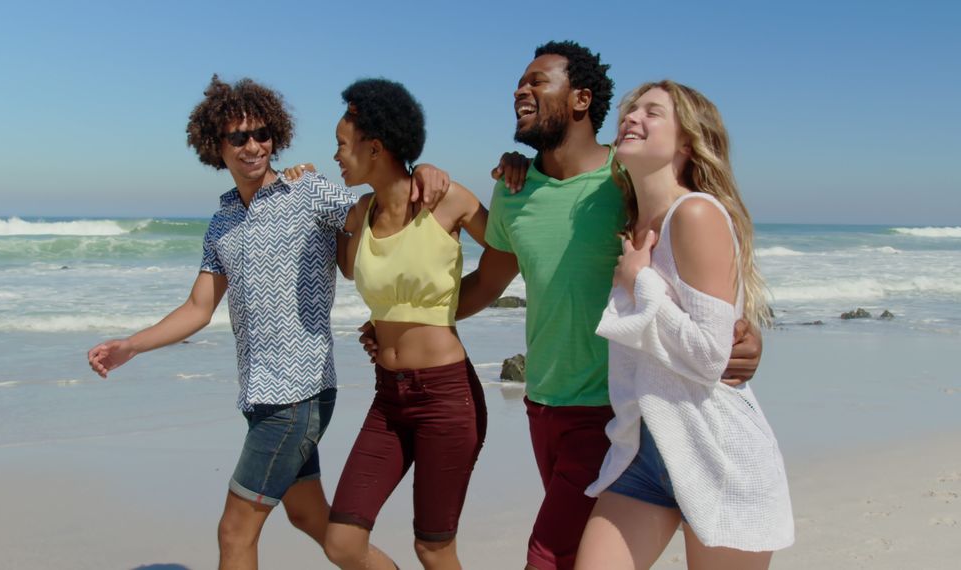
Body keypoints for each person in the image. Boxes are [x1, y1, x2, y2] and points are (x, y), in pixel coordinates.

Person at [86, 75, 448, 570]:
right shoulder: (223, 222)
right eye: (239, 137)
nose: (253, 147)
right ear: (217, 146)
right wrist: (132, 345)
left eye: (262, 135)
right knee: (309, 516)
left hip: (298, 394)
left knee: (235, 530)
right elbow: (198, 307)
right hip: (259, 394)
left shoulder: (309, 191)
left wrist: (422, 169)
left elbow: (383, 204)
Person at [448, 41, 764, 570]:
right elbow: (487, 282)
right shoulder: (513, 190)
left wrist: (743, 329)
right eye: (520, 82)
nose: (520, 90)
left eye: (537, 81)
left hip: (610, 408)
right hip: (543, 400)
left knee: (547, 557)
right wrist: (408, 321)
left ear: (580, 99)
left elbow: (699, 254)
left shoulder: (629, 177)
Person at [575, 81, 793, 569]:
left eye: (653, 113)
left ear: (688, 142)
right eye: (632, 109)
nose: (632, 117)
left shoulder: (694, 213)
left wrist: (639, 282)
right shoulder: (632, 224)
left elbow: (709, 357)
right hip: (643, 452)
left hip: (718, 451)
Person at [320, 78, 489, 570]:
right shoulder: (360, 212)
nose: (335, 156)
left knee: (433, 549)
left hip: (445, 396)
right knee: (343, 543)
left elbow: (512, 253)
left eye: (341, 145)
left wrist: (446, 309)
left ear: (374, 147)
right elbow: (354, 270)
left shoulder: (446, 198)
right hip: (388, 397)